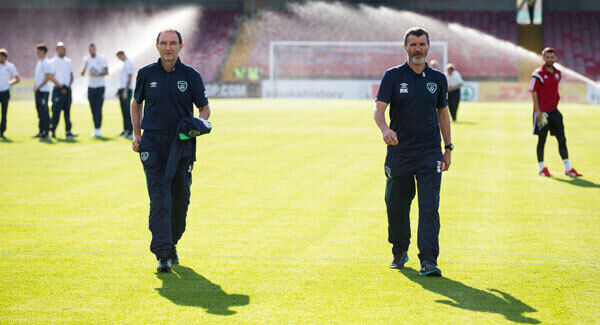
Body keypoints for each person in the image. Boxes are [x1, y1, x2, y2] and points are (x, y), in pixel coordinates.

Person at [373, 27, 452, 277]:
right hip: (400, 152)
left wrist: (448, 147)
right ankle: (399, 250)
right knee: (396, 205)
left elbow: (443, 115)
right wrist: (385, 129)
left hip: (430, 153)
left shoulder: (438, 79)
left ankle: (429, 260)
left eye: (422, 44)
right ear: (405, 47)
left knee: (429, 207)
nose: (418, 49)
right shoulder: (393, 76)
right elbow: (378, 110)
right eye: (413, 45)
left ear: (428, 47)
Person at [131, 29, 211, 272]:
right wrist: (137, 135)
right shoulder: (145, 74)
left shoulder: (191, 75)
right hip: (153, 144)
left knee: (180, 199)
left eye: (172, 43)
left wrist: (195, 127)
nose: (168, 47)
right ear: (157, 47)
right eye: (164, 43)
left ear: (181, 46)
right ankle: (163, 255)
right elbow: (136, 104)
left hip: (181, 143)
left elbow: (204, 109)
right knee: (159, 199)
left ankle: (172, 242)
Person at [529, 47, 582, 177]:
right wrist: (538, 111)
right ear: (543, 58)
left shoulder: (558, 73)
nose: (550, 59)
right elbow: (534, 92)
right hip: (542, 113)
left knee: (562, 139)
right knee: (542, 140)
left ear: (555, 58)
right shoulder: (537, 73)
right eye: (547, 57)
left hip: (554, 112)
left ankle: (568, 168)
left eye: (552, 57)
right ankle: (542, 168)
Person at [50, 42, 77, 139]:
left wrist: (68, 87)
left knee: (67, 111)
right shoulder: (53, 61)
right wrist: (61, 87)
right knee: (56, 111)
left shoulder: (68, 61)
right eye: (61, 49)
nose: (63, 51)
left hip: (67, 89)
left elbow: (71, 75)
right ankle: (52, 130)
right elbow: (51, 77)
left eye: (64, 49)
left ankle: (68, 131)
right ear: (57, 50)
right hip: (58, 89)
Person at [34, 43, 61, 140]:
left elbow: (48, 77)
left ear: (43, 51)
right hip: (38, 91)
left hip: (44, 91)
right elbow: (37, 78)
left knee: (45, 112)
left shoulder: (47, 62)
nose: (37, 53)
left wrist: (38, 87)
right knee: (40, 112)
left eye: (38, 51)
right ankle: (41, 131)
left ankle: (46, 132)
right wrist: (35, 87)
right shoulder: (39, 62)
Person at [81, 43, 108, 138]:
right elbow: (82, 74)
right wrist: (85, 67)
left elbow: (106, 72)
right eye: (90, 50)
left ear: (95, 49)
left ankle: (98, 129)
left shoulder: (102, 58)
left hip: (100, 86)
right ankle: (96, 128)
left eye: (93, 50)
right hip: (91, 87)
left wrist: (97, 74)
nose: (91, 51)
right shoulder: (86, 59)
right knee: (93, 109)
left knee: (98, 108)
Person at [0, 48, 20, 139]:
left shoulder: (10, 66)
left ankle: (2, 131)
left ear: (4, 57)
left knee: (4, 113)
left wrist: (9, 83)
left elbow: (17, 79)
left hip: (5, 92)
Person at [116, 50, 135, 139]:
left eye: (119, 57)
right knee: (123, 111)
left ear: (122, 54)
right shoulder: (124, 64)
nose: (118, 59)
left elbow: (130, 78)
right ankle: (125, 130)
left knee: (127, 111)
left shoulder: (128, 63)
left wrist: (125, 90)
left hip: (126, 90)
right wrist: (119, 89)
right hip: (122, 89)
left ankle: (130, 131)